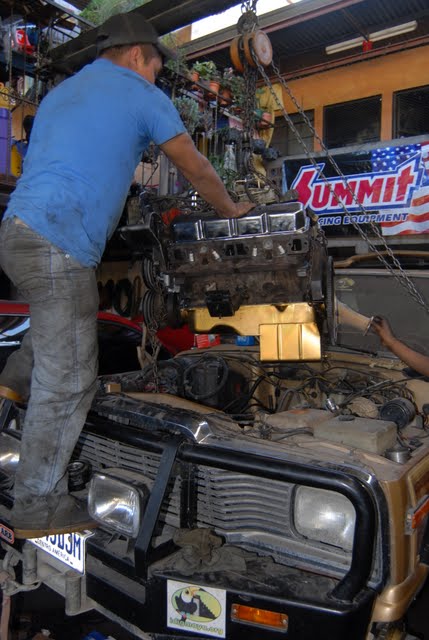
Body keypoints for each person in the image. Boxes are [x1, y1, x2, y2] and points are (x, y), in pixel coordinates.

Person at [0, 12, 255, 539]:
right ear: (139, 54)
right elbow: (194, 166)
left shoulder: (61, 94)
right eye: (158, 67)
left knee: (62, 329)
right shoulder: (141, 94)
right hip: (58, 239)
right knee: (70, 380)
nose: (158, 77)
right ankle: (38, 505)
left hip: (17, 231)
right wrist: (231, 208)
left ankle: (11, 387)